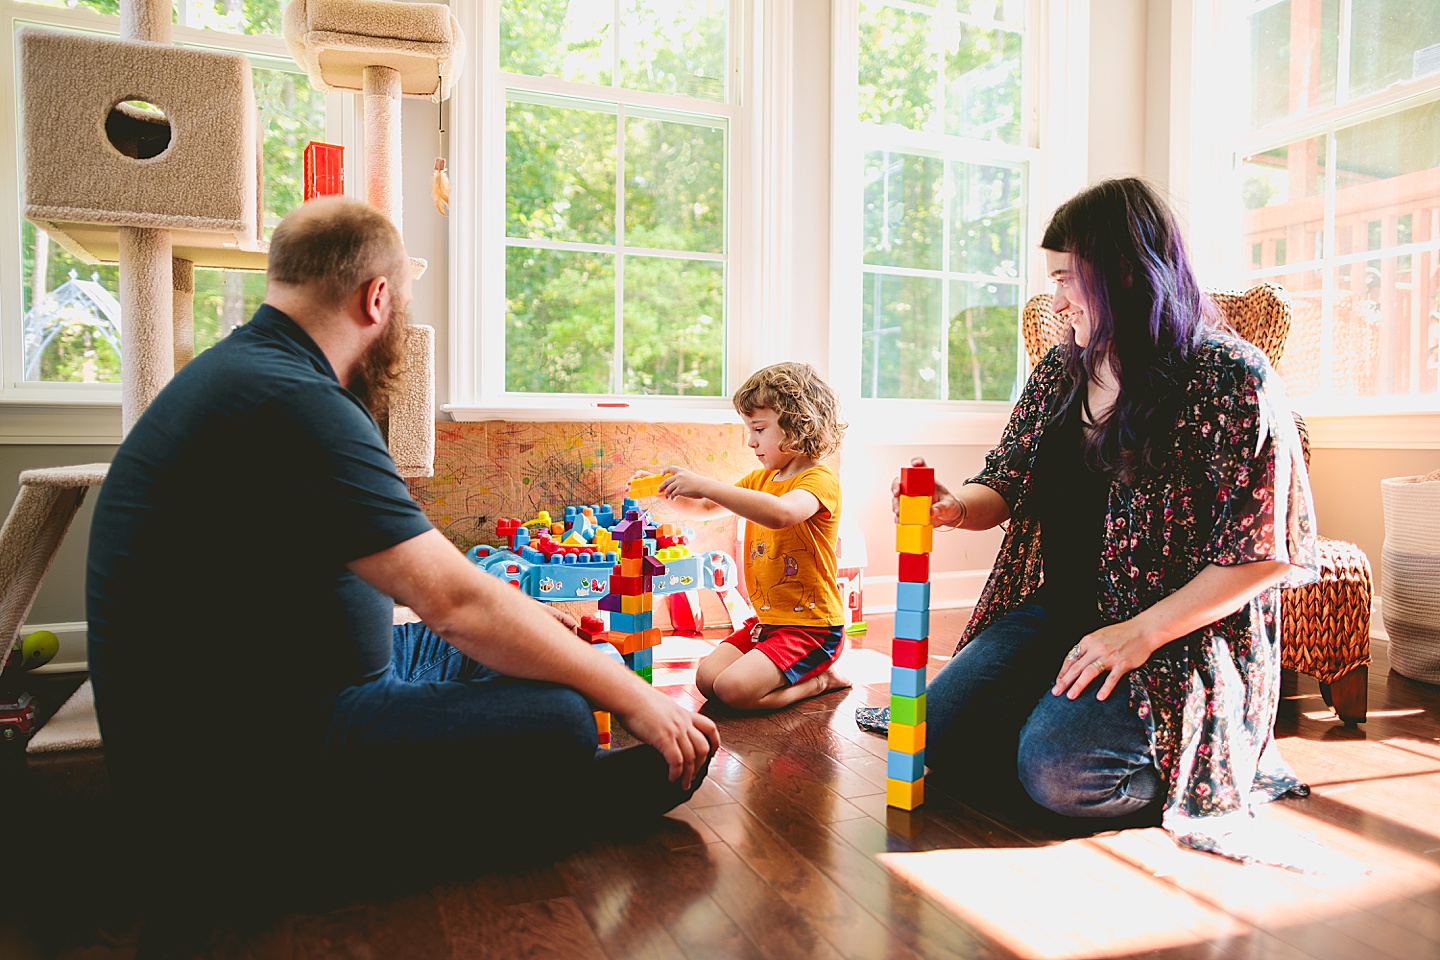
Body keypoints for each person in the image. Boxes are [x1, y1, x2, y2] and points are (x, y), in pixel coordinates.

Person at [86, 197, 719, 884]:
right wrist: (633, 694)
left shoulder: (245, 371)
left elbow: (423, 588)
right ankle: (554, 802)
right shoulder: (299, 403)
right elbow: (454, 601)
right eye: (406, 303)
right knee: (563, 716)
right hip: (236, 770)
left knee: (549, 654)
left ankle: (515, 785)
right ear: (377, 298)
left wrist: (539, 627)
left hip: (275, 687)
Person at [890, 178, 1317, 860]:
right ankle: (1052, 721)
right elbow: (1008, 477)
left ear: (1124, 270)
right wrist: (954, 506)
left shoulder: (1232, 377)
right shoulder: (1062, 370)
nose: (1055, 300)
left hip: (1177, 632)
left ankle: (1198, 766)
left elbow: (1267, 552)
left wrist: (1139, 633)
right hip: (1060, 612)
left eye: (1067, 278)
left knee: (1059, 773)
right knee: (929, 734)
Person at [641, 362, 851, 711]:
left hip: (812, 628)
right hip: (767, 623)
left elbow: (781, 514)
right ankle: (791, 671)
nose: (751, 441)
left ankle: (821, 680)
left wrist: (704, 482)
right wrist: (673, 491)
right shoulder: (760, 481)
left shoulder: (819, 480)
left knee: (735, 691)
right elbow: (707, 508)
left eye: (758, 428)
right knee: (708, 680)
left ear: (798, 423)